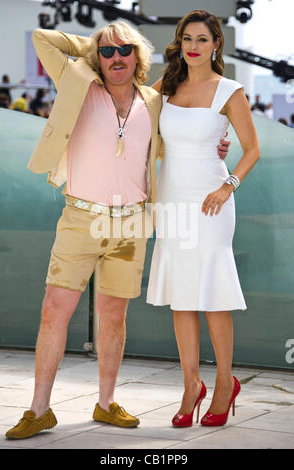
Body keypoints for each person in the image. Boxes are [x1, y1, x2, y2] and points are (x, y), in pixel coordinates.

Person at [5, 21, 230, 440]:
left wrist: (218, 145)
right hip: (80, 217)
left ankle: (106, 403)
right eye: (106, 53)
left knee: (113, 316)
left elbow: (184, 137)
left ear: (138, 56)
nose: (115, 58)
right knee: (54, 310)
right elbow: (41, 37)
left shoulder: (155, 100)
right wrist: (94, 44)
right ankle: (39, 410)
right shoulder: (78, 85)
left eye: (124, 49)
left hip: (132, 222)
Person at [147, 10, 260, 427]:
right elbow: (136, 122)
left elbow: (251, 150)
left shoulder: (229, 91)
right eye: (187, 38)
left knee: (212, 295)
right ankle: (190, 384)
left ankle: (225, 383)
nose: (193, 46)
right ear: (180, 43)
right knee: (182, 296)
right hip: (172, 200)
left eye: (202, 39)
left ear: (216, 44)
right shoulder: (166, 86)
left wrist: (228, 185)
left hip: (212, 201)